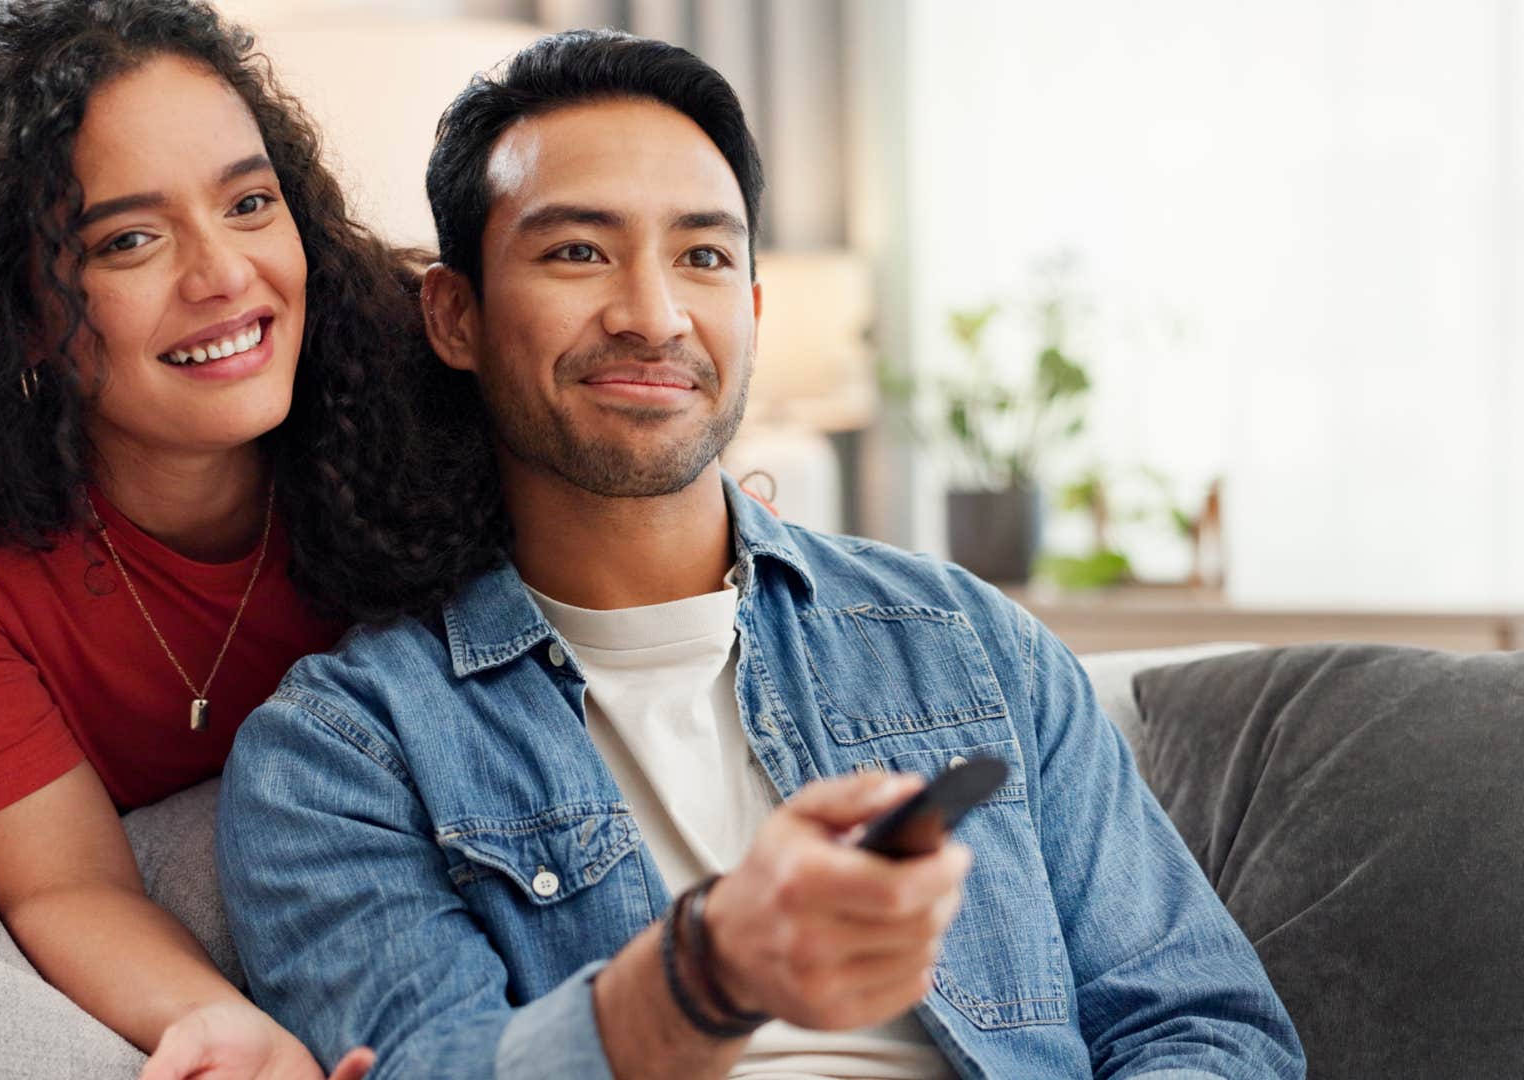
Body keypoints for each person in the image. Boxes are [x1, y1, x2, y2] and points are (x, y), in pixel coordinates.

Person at [215, 29, 1306, 1080]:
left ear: (751, 307)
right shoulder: (345, 753)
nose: (653, 314)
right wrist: (708, 970)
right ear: (455, 317)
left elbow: (1204, 1024)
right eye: (579, 251)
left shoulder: (972, 646)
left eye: (701, 255)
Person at [0, 2, 491, 1076]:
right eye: (129, 238)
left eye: (249, 202)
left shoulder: (430, 387)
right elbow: (64, 884)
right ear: (17, 309)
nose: (224, 274)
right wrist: (219, 1023)